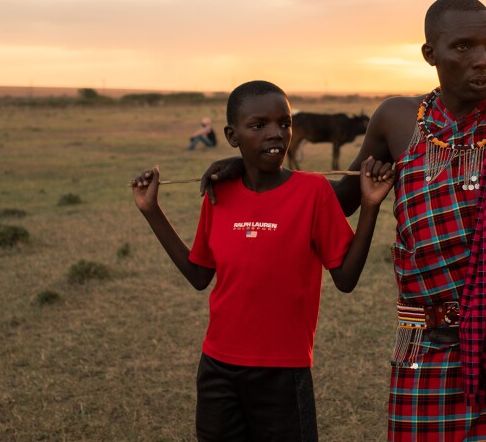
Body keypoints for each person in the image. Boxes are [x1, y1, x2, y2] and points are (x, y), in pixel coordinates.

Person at [201, 0, 486, 441]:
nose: (482, 59)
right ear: (430, 54)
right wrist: (253, 170)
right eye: (463, 46)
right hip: (425, 345)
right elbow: (338, 201)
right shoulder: (397, 119)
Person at [132, 80, 395, 442]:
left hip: (283, 372)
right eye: (258, 125)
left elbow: (346, 279)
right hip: (217, 369)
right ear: (232, 136)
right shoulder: (219, 192)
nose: (276, 134)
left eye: (284, 123)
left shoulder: (314, 192)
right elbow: (198, 274)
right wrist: (151, 211)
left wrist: (369, 206)